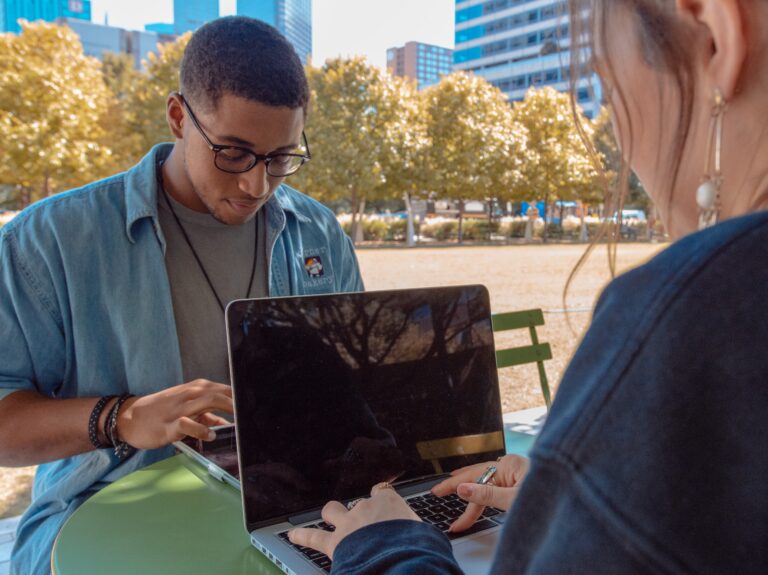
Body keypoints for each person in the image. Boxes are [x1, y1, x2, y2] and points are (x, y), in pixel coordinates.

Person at [290, 0, 768, 572]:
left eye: (608, 88)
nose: (618, 141)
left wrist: (387, 547)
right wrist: (581, 493)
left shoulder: (691, 315)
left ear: (715, 32)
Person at [0, 17, 363, 575]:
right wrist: (120, 418)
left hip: (293, 513)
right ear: (177, 117)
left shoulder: (318, 233)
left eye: (281, 158)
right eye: (235, 153)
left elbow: (352, 392)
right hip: (101, 525)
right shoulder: (50, 240)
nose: (256, 186)